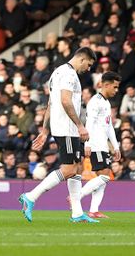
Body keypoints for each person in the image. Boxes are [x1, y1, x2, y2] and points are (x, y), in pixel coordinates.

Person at [18, 46, 99, 224]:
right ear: (82, 59)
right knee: (70, 169)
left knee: (77, 168)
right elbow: (64, 101)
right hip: (68, 128)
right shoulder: (69, 75)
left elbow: (51, 103)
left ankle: (77, 213)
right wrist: (80, 126)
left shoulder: (57, 73)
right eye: (89, 64)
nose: (89, 69)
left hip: (64, 127)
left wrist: (45, 130)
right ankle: (31, 196)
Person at [77, 71, 120, 219]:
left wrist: (116, 146)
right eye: (114, 87)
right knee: (105, 176)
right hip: (95, 144)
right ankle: (77, 197)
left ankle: (94, 210)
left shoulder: (106, 103)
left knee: (103, 179)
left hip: (102, 145)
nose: (116, 90)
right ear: (106, 85)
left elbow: (109, 127)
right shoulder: (95, 101)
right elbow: (89, 123)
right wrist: (87, 144)